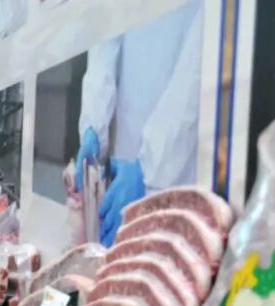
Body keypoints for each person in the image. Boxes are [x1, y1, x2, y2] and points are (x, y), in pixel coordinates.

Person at [74, 2, 204, 245]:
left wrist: (149, 166)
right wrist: (94, 122)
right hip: (127, 142)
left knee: (168, 248)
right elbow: (105, 28)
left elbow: (199, 65)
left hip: (180, 159)